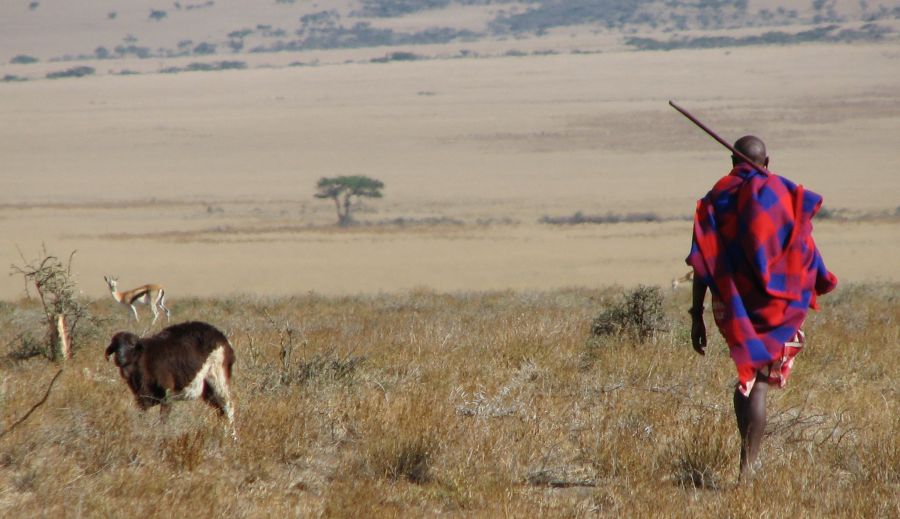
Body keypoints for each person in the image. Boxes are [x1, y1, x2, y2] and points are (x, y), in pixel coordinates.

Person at [686, 135, 837, 482]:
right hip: (777, 306)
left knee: (747, 376)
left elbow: (703, 260)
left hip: (732, 305)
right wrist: (817, 278)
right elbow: (803, 245)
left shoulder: (716, 199)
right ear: (766, 162)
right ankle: (747, 469)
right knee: (759, 384)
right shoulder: (781, 196)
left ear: (731, 160)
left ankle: (747, 460)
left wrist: (697, 314)